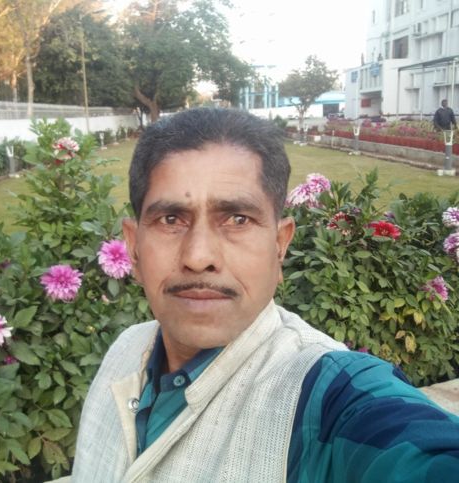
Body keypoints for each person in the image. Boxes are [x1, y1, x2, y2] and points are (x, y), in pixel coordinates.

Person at [66, 108, 459, 482]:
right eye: (171, 219)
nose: (198, 257)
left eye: (238, 219)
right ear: (133, 247)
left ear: (280, 244)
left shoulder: (323, 395)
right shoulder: (126, 350)